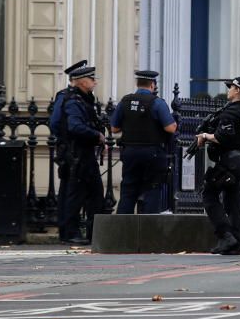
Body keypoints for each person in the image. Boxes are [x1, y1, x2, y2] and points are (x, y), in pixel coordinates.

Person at [198, 77, 240, 255]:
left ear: (238, 90)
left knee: (209, 194)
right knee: (233, 202)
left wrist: (206, 135)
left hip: (227, 161)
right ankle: (236, 243)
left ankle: (225, 235)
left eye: (231, 87)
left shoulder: (231, 113)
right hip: (239, 162)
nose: (229, 90)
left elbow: (222, 137)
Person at [111, 70, 178, 214]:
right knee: (152, 190)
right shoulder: (157, 103)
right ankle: (148, 230)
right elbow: (171, 128)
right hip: (152, 153)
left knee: (128, 190)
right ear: (153, 85)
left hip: (129, 152)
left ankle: (123, 230)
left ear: (137, 83)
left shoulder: (125, 101)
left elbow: (114, 128)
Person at [58, 64, 106, 245]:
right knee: (76, 194)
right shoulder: (73, 101)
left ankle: (93, 232)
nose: (95, 82)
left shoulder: (84, 100)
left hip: (83, 152)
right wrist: (96, 135)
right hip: (77, 153)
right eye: (91, 79)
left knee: (93, 194)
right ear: (81, 82)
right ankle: (71, 232)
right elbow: (75, 126)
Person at [50, 60, 87, 240]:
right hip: (71, 150)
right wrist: (66, 141)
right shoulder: (66, 97)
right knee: (70, 190)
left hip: (74, 149)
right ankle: (68, 230)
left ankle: (70, 229)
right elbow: (56, 123)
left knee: (74, 190)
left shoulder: (78, 97)